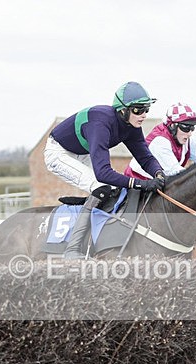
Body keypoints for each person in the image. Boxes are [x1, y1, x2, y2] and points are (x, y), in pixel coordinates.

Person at [44, 81, 166, 259]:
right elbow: (103, 173)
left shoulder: (131, 126)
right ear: (122, 110)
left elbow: (145, 158)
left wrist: (159, 173)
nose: (144, 115)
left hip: (83, 152)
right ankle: (72, 249)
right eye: (138, 110)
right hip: (59, 152)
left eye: (146, 109)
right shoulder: (101, 124)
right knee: (101, 188)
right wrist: (141, 184)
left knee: (114, 190)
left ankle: (102, 232)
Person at [125, 102, 196, 180]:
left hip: (156, 183)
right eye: (186, 127)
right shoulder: (160, 141)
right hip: (136, 181)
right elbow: (176, 173)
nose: (189, 133)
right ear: (172, 126)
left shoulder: (185, 139)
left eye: (192, 128)